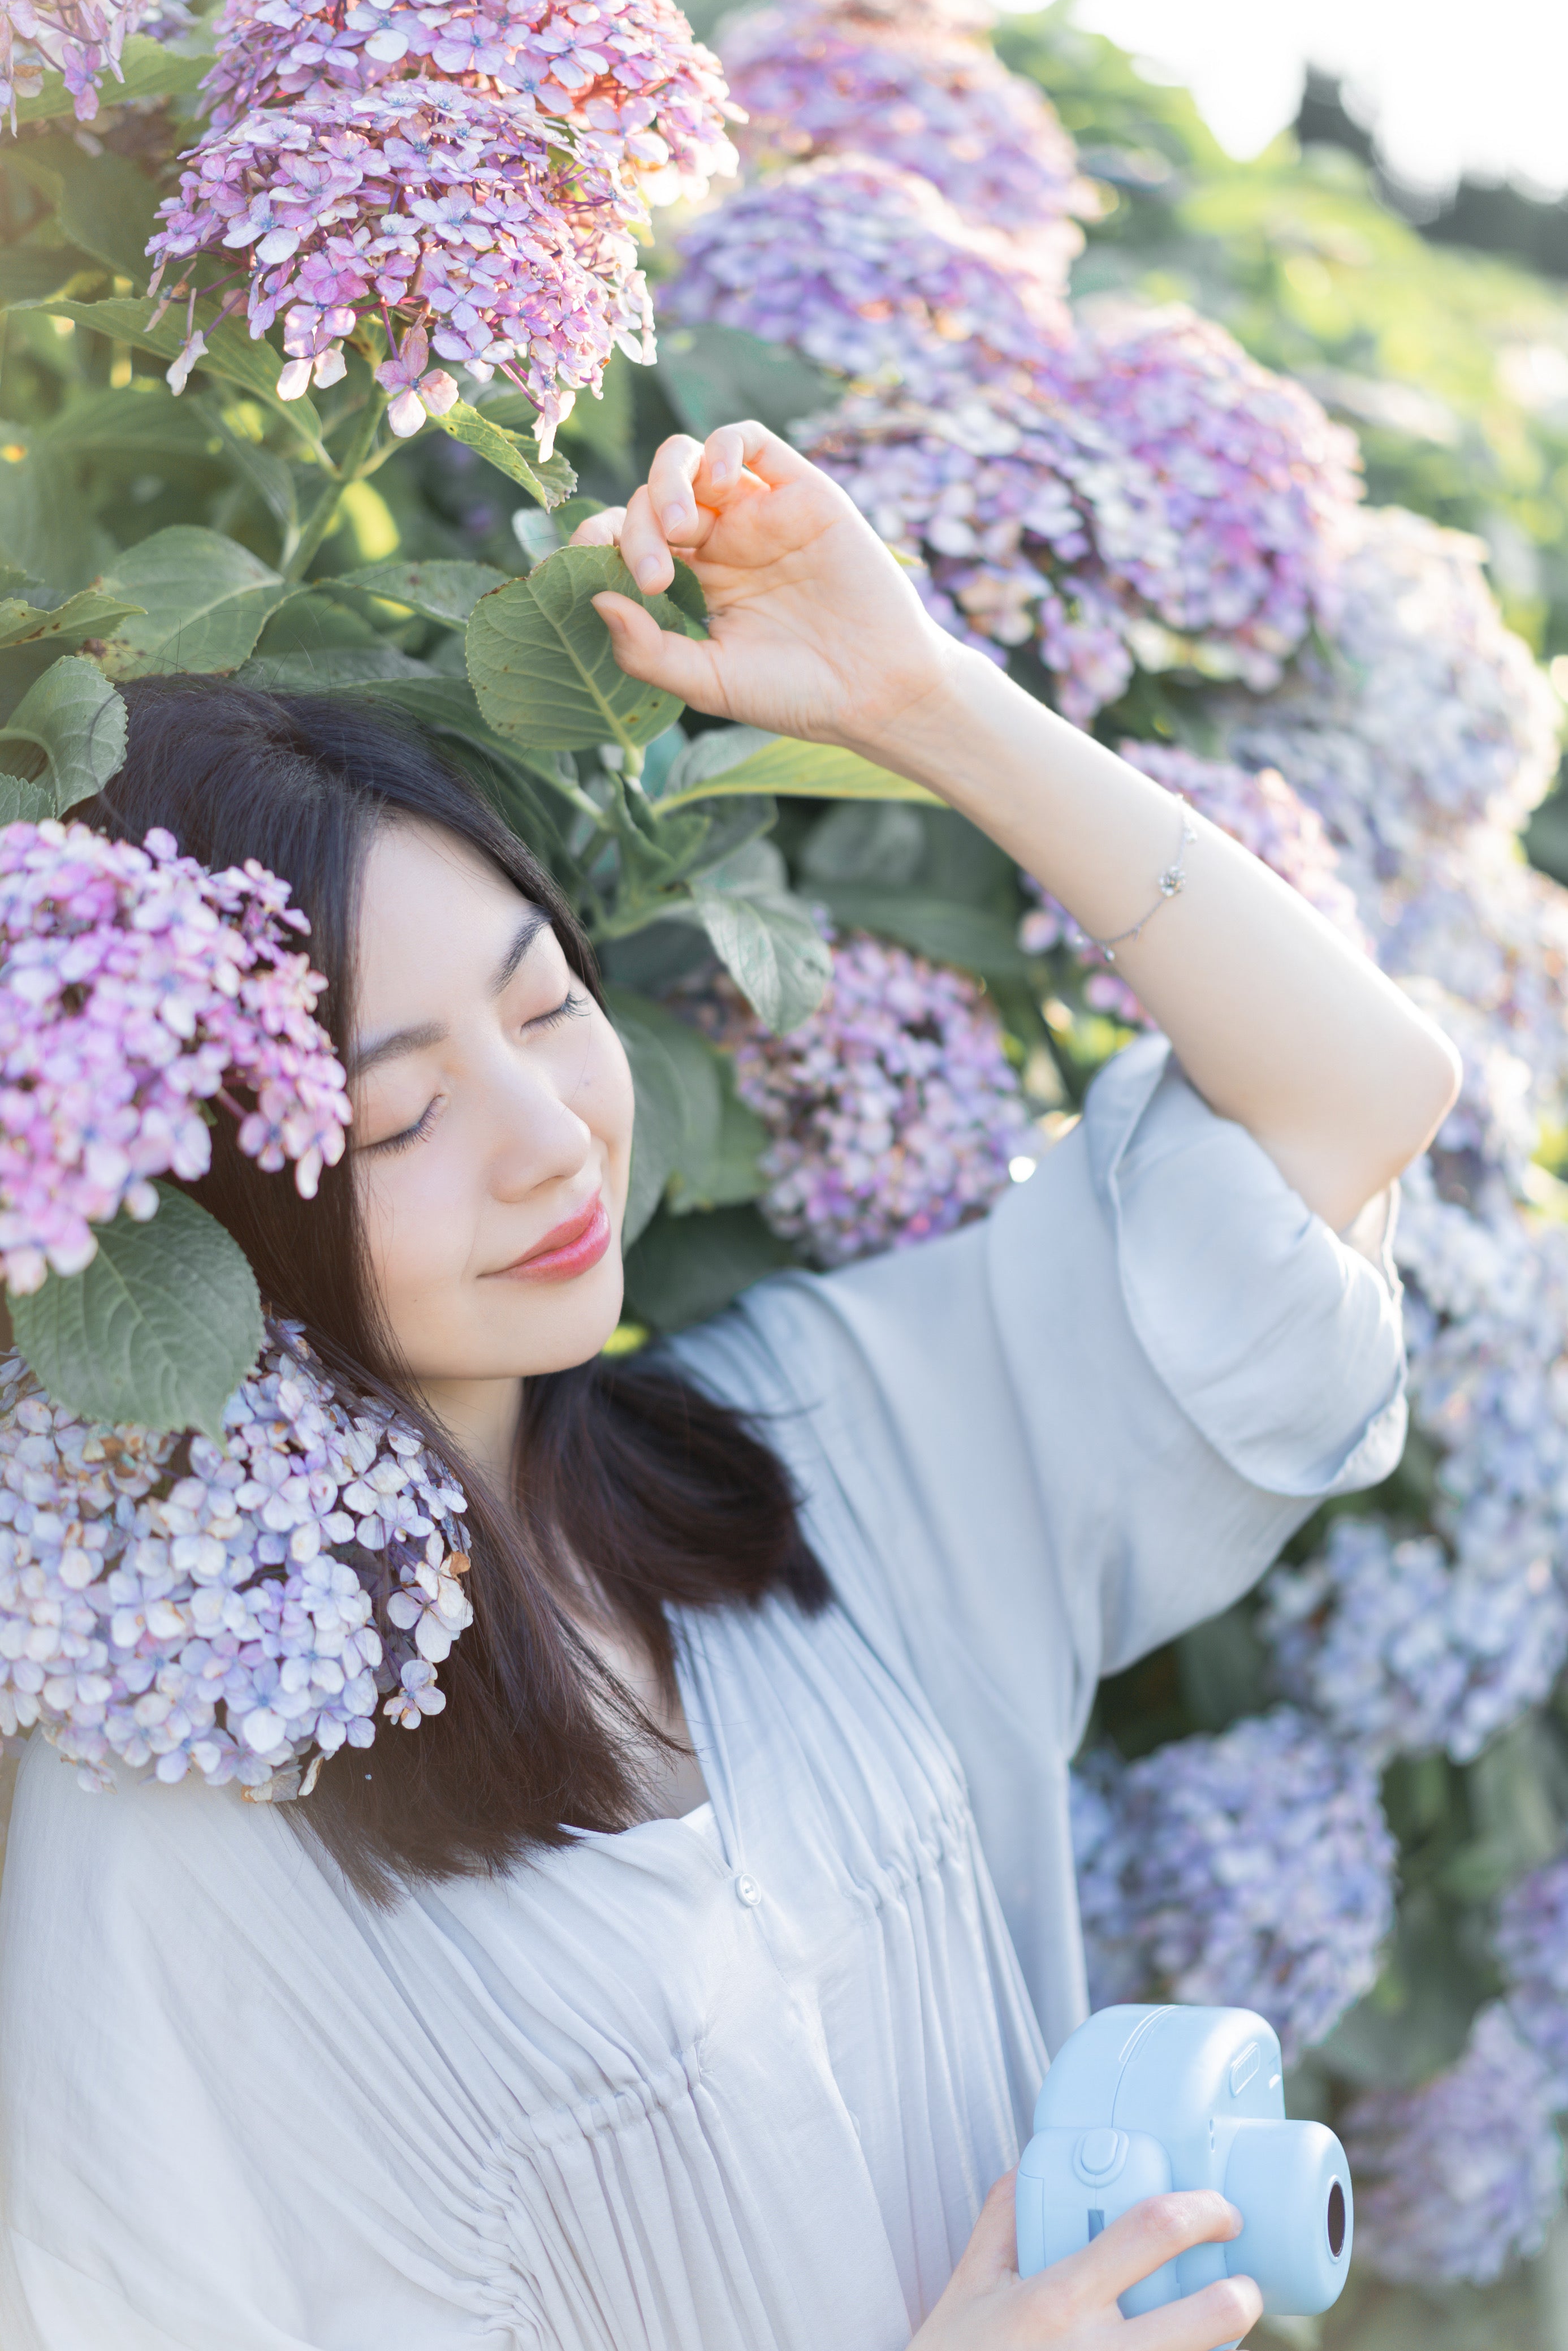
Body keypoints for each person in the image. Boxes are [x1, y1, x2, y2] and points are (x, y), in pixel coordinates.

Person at [0, 422, 1458, 2351]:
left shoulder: (812, 1451)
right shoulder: (167, 1849)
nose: (551, 1139)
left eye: (547, 1005)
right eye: (400, 1116)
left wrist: (920, 702)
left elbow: (1358, 1094)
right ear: (188, 1199)